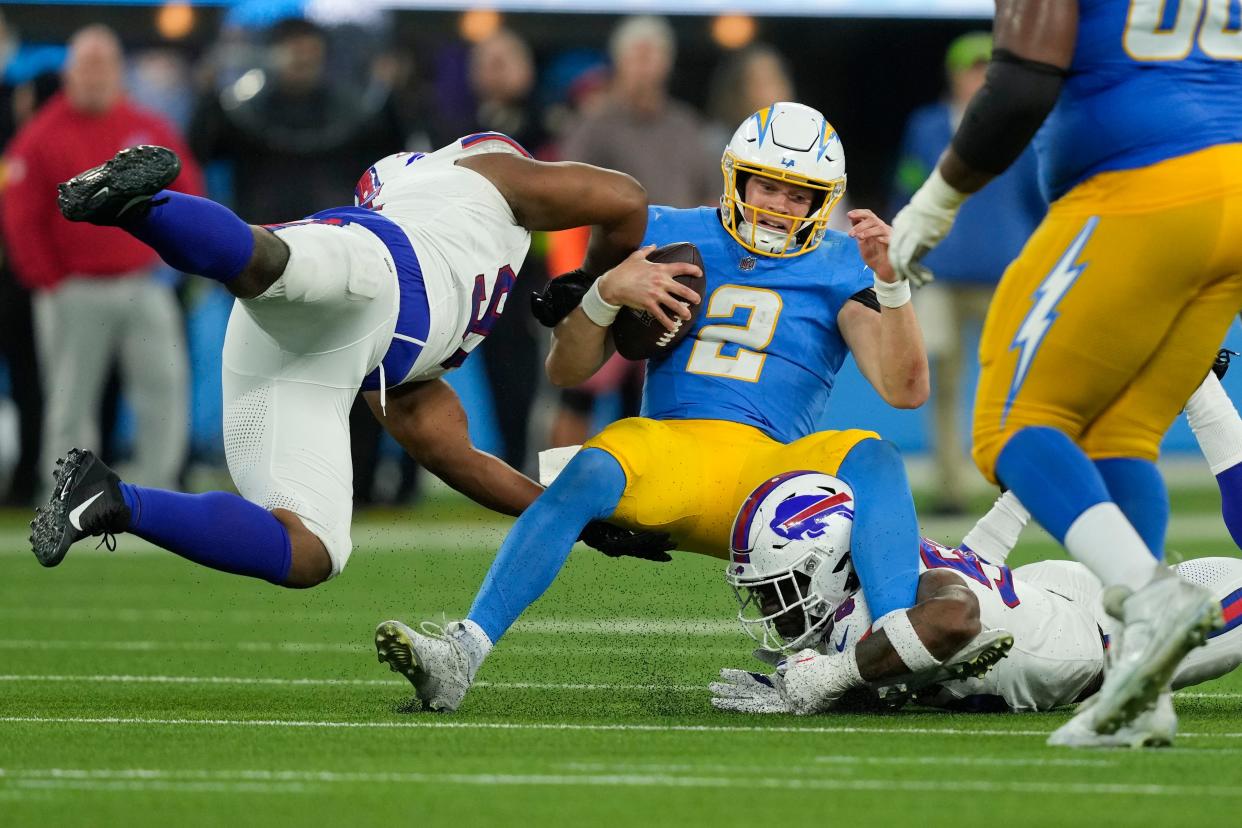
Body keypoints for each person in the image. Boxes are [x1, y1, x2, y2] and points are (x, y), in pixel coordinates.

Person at [370, 103, 1006, 715]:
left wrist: (890, 283)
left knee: (874, 453)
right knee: (591, 467)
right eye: (769, 186)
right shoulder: (668, 230)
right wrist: (603, 295)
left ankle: (893, 645)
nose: (781, 207)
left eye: (800, 195)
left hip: (773, 477)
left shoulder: (843, 262)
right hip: (672, 452)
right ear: (737, 178)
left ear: (823, 202)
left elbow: (905, 390)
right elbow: (565, 370)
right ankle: (462, 651)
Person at [29, 131, 674, 591]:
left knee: (311, 552)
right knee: (268, 263)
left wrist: (573, 517)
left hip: (321, 353)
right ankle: (141, 206)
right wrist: (591, 284)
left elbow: (455, 456)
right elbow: (624, 199)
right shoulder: (484, 174)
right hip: (383, 265)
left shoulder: (428, 332)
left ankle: (113, 500)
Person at [887, 0, 1242, 746]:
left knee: (1010, 424)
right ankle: (1137, 691)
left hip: (1140, 189)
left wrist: (937, 198)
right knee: (1122, 433)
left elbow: (1018, 86)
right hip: (1231, 189)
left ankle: (1151, 599)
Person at [711, 488, 1242, 730]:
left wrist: (837, 673)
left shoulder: (906, 599)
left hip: (1106, 639)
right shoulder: (880, 579)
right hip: (1041, 598)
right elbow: (964, 570)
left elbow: (953, 619)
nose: (770, 605)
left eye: (780, 587)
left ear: (829, 564)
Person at [1, 25, 203, 498]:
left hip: (142, 282)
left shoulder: (148, 128)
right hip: (74, 288)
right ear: (70, 73)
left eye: (102, 66)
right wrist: (48, 279)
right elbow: (20, 216)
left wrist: (174, 267)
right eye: (85, 66)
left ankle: (162, 490)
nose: (94, 77)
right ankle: (70, 497)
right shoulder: (40, 136)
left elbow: (189, 193)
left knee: (163, 387)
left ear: (118, 72)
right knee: (70, 401)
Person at [889, 31, 1046, 515]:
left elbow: (1037, 198)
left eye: (987, 68)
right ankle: (953, 485)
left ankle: (1017, 479)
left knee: (1016, 379)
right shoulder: (928, 126)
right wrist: (902, 247)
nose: (978, 76)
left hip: (1006, 271)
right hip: (941, 273)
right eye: (971, 68)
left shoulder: (1017, 125)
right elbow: (907, 188)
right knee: (942, 382)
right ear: (955, 73)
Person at [552, 15, 721, 445]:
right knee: (578, 392)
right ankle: (550, 486)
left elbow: (714, 199)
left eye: (654, 56)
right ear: (620, 62)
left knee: (649, 395)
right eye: (638, 56)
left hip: (675, 277)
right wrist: (575, 277)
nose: (646, 66)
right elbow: (562, 194)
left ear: (667, 63)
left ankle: (633, 493)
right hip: (607, 274)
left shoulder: (687, 127)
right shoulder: (594, 126)